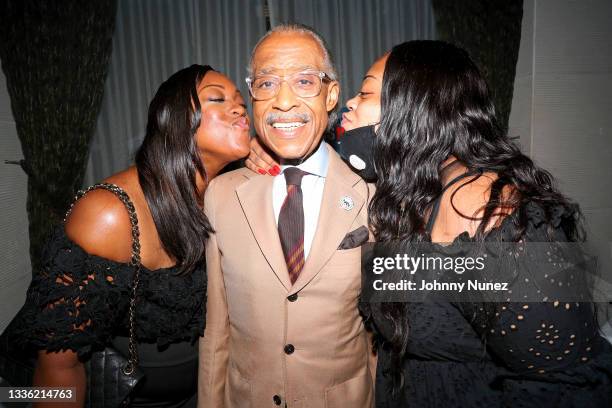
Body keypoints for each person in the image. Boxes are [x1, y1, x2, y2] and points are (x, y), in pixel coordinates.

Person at [344, 41, 612, 407]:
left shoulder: (481, 206)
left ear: (417, 107)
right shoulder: (419, 191)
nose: (349, 104)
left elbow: (564, 386)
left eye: (365, 93)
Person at [2, 64, 250, 407]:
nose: (239, 108)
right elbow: (58, 364)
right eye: (217, 99)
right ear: (173, 120)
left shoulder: (224, 193)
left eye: (240, 102)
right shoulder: (109, 214)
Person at [198, 24, 375, 408]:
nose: (283, 101)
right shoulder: (223, 195)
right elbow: (217, 330)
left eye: (304, 81)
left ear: (331, 95)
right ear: (253, 99)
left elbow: (380, 338)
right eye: (266, 84)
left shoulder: (372, 194)